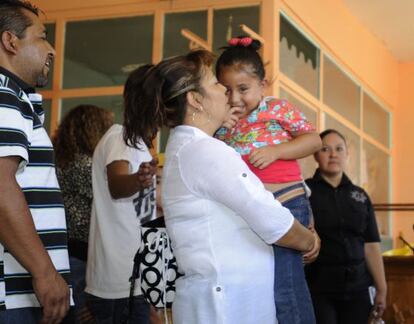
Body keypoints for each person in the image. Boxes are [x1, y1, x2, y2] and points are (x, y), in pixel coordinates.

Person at [124, 49, 317, 324]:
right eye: (217, 84)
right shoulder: (206, 152)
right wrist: (310, 240)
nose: (227, 93)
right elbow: (271, 220)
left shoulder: (192, 148)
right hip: (227, 306)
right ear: (195, 99)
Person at [215, 36, 321, 324]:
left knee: (286, 283)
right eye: (226, 90)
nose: (235, 98)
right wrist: (219, 128)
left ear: (263, 85)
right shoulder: (222, 122)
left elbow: (313, 140)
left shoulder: (276, 108)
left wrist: (276, 151)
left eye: (243, 89)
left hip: (286, 200)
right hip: (249, 209)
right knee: (260, 285)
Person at [0, 1, 72, 323]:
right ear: (10, 41)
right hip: (16, 295)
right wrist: (45, 273)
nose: (52, 49)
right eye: (42, 37)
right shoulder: (4, 94)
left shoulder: (16, 97)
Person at [85, 65, 157, 324]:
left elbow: (143, 211)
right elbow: (117, 185)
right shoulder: (120, 136)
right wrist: (139, 180)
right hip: (121, 282)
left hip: (137, 279)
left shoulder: (139, 145)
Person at [305, 129, 387, 324]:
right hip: (319, 287)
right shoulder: (305, 192)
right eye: (325, 149)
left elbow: (371, 245)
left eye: (339, 149)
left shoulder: (360, 196)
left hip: (358, 287)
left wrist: (382, 289)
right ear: (316, 154)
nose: (333, 154)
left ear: (347, 154)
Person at [53, 105, 114, 322]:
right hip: (81, 254)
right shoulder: (85, 165)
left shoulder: (62, 161)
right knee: (82, 315)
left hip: (66, 252)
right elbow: (114, 198)